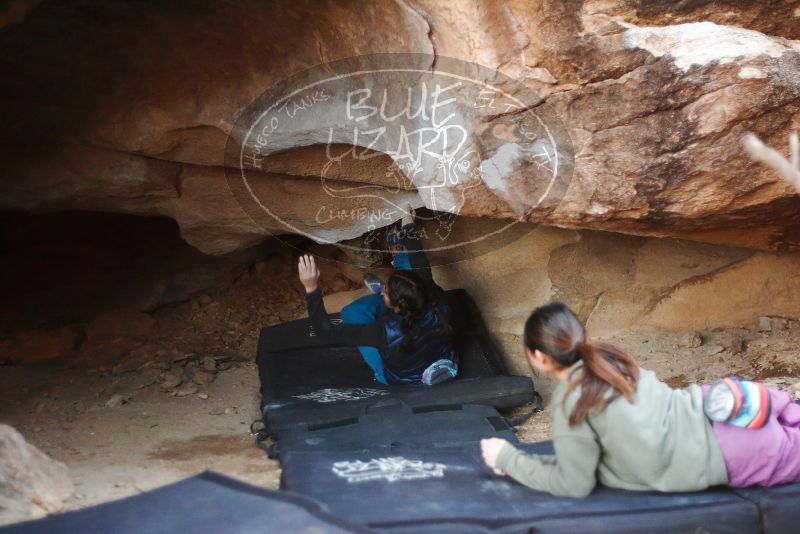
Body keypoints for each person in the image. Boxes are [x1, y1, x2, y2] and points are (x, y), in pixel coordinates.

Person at [480, 301, 800, 497]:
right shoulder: (609, 359)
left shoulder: (571, 400)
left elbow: (573, 483)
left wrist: (508, 459)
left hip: (731, 450)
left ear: (538, 356)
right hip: (732, 402)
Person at [296, 207, 457, 386]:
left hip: (399, 378)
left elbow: (324, 332)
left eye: (385, 292)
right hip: (445, 361)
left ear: (396, 307)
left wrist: (311, 288)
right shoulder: (434, 295)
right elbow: (420, 261)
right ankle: (398, 258)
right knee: (409, 267)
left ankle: (395, 269)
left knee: (352, 313)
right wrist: (408, 225)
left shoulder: (383, 333)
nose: (383, 293)